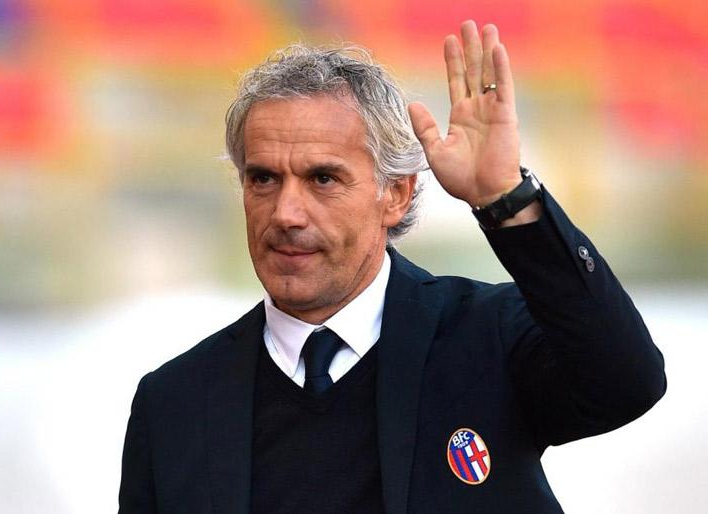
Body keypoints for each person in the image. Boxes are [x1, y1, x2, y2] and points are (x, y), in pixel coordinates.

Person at [118, 20, 666, 513]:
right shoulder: (173, 404)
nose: (285, 213)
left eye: (323, 179)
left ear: (396, 195)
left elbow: (626, 383)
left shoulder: (487, 337)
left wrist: (506, 199)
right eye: (263, 179)